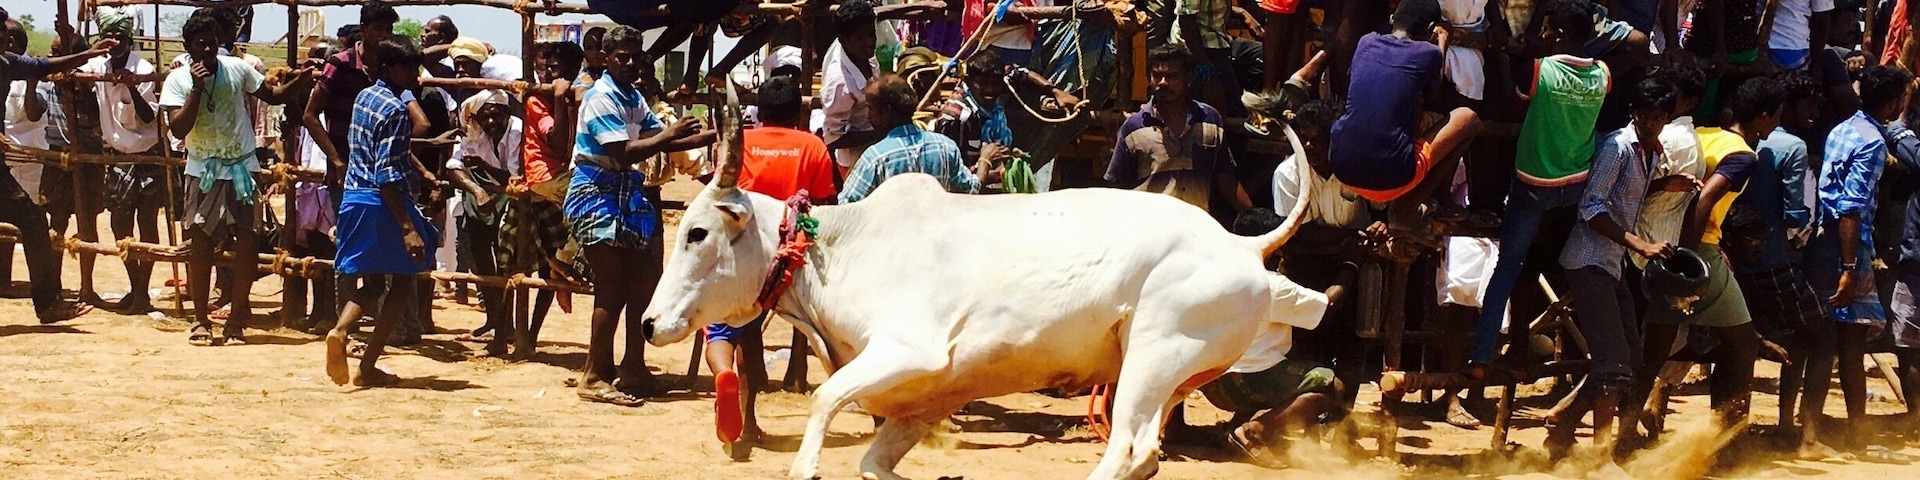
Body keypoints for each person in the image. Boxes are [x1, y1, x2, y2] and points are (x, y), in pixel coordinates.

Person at [1627, 77, 1780, 455]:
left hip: (1658, 239)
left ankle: (1621, 437)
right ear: (1762, 118)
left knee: (1653, 353)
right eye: (1776, 118)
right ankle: (1727, 444)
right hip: (1697, 250)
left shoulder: (1708, 134)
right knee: (1743, 345)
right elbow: (1704, 200)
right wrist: (1687, 261)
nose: (1775, 126)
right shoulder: (1744, 156)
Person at [567, 25, 716, 406]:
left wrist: (708, 137)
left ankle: (632, 368)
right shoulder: (601, 97)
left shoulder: (631, 96)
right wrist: (672, 136)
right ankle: (595, 374)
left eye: (635, 57)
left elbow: (659, 138)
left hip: (624, 194)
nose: (631, 63)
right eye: (623, 57)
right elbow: (625, 152)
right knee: (611, 286)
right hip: (596, 192)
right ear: (605, 58)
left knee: (642, 283)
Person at [1465, 0, 1610, 378]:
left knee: (1508, 270)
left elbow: (1514, 104)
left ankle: (1481, 358)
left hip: (1533, 186)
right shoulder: (1603, 76)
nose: (1541, 34)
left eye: (1546, 28)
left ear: (1559, 34)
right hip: (1575, 187)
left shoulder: (1539, 71)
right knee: (1569, 269)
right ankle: (1597, 356)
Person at [701, 74, 838, 460]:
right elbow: (825, 204)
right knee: (754, 335)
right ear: (798, 112)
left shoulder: (740, 142)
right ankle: (749, 416)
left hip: (739, 251)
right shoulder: (812, 146)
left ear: (759, 111)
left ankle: (724, 378)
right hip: (788, 260)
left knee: (725, 328)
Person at [1543, 78, 1678, 462]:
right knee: (1614, 363)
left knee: (1629, 361)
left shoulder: (1652, 154)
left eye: (1658, 117)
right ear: (1634, 113)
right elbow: (1592, 207)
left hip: (1610, 264)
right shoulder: (1617, 148)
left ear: (1668, 117)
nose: (1650, 123)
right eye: (1644, 116)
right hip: (1588, 261)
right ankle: (1600, 454)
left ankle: (1564, 424)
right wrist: (1641, 244)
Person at [160, 9, 312, 346]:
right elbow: (178, 127)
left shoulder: (237, 69)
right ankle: (201, 320)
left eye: (212, 43)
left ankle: (237, 319)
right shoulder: (178, 80)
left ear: (220, 43)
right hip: (204, 170)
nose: (207, 50)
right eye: (200, 45)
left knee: (247, 243)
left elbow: (272, 96)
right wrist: (197, 91)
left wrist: (300, 81)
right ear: (188, 47)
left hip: (242, 167)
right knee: (200, 244)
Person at [1714, 72, 1841, 460]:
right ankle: (1808, 437)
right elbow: (1793, 213)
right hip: (1772, 260)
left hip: (1735, 262)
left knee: (1736, 346)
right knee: (1820, 336)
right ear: (1783, 107)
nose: (1814, 114)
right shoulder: (1793, 146)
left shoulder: (1737, 140)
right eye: (1809, 106)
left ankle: (1731, 436)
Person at [1807, 65, 1914, 448]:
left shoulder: (1843, 128)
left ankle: (1812, 435)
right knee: (1850, 345)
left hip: (1823, 242)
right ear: (1891, 101)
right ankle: (1853, 433)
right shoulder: (1873, 142)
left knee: (1822, 342)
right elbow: (1851, 207)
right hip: (1848, 247)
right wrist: (1851, 267)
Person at [325, 36, 437, 388]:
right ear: (390, 68)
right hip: (383, 201)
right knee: (405, 278)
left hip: (355, 196)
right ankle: (368, 363)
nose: (415, 75)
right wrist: (407, 228)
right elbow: (388, 174)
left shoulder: (365, 96)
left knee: (372, 281)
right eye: (409, 68)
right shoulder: (394, 110)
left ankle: (341, 330)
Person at [1327, 0, 1481, 244]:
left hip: (1340, 166)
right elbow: (1434, 93)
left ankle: (1408, 204)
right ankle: (1407, 208)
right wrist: (1441, 41)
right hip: (1393, 178)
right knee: (1469, 119)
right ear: (1430, 29)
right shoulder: (1428, 53)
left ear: (1392, 21)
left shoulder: (1366, 42)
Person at [0, 7, 114, 323]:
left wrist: (88, 53)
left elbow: (45, 65)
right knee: (35, 219)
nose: (2, 39)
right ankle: (48, 304)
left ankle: (48, 303)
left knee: (35, 220)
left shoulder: (8, 64)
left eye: (3, 34)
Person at [304, 3, 396, 334]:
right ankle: (346, 326)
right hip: (347, 171)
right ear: (364, 28)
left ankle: (374, 322)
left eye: (388, 29)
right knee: (349, 245)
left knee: (381, 243)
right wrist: (336, 159)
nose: (384, 35)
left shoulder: (388, 65)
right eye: (379, 28)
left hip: (381, 169)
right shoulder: (340, 65)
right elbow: (311, 115)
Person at [494, 40, 583, 355]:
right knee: (513, 261)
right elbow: (558, 144)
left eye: (562, 70)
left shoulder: (574, 94)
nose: (554, 74)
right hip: (544, 179)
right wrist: (560, 98)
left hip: (553, 182)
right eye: (550, 68)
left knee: (540, 260)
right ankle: (502, 335)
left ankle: (529, 334)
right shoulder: (538, 99)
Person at [79, 7, 164, 313]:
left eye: (120, 37)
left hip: (146, 156)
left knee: (147, 224)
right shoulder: (98, 64)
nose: (114, 42)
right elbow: (77, 66)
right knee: (119, 225)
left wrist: (130, 85)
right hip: (117, 157)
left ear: (130, 40)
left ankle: (141, 292)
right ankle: (135, 286)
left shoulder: (142, 68)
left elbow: (147, 116)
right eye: (108, 36)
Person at [1104, 44, 1251, 213]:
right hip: (1149, 230)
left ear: (1188, 78)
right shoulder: (1133, 127)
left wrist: (1257, 220)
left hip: (1195, 228)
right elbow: (1116, 187)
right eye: (1157, 76)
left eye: (1172, 76)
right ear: (1148, 78)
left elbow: (1226, 179)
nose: (1163, 83)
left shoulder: (1210, 120)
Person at [447, 89, 522, 357]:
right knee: (481, 264)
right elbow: (453, 166)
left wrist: (481, 165)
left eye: (496, 116)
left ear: (506, 114)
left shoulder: (516, 132)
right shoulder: (472, 130)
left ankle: (504, 330)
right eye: (485, 117)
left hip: (509, 199)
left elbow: (513, 178)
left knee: (506, 267)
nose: (491, 122)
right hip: (479, 200)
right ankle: (493, 320)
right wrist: (477, 191)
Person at [839, 75, 995, 203]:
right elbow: (970, 191)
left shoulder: (875, 159)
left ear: (886, 112)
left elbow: (846, 208)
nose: (867, 115)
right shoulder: (945, 147)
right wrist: (985, 160)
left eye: (871, 108)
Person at [931, 49, 1079, 184]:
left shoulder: (991, 108)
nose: (990, 90)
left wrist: (1055, 92)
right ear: (968, 81)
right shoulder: (957, 119)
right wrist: (998, 171)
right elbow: (952, 178)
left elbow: (1019, 72)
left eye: (995, 84)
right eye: (982, 84)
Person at [286, 40, 342, 333]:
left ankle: (331, 312)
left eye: (323, 60)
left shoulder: (340, 94)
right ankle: (318, 309)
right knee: (314, 247)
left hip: (327, 177)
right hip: (308, 184)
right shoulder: (306, 96)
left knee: (333, 250)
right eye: (312, 60)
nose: (318, 66)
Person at [821, 0, 880, 170]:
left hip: (876, 150)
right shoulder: (840, 82)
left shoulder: (864, 55)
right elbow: (833, 139)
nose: (870, 42)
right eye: (861, 38)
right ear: (844, 40)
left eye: (872, 35)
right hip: (855, 162)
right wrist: (882, 133)